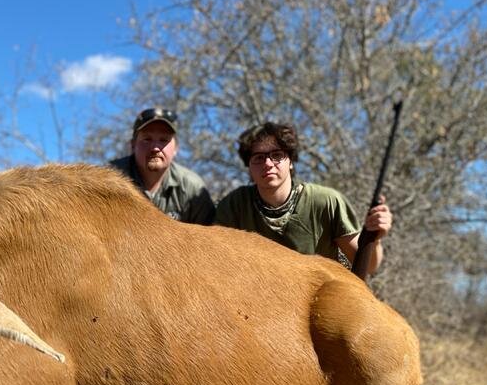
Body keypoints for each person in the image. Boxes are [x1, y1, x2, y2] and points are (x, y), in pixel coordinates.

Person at [215, 121, 392, 275]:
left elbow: (368, 266)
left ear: (291, 161)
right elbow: (218, 264)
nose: (268, 164)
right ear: (249, 167)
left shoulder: (326, 202)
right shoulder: (233, 206)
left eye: (277, 155)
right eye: (258, 158)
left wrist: (374, 239)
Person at [110, 107, 215, 225]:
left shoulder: (192, 188)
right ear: (133, 145)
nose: (155, 148)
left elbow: (208, 238)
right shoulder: (110, 180)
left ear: (176, 148)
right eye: (147, 139)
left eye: (164, 140)